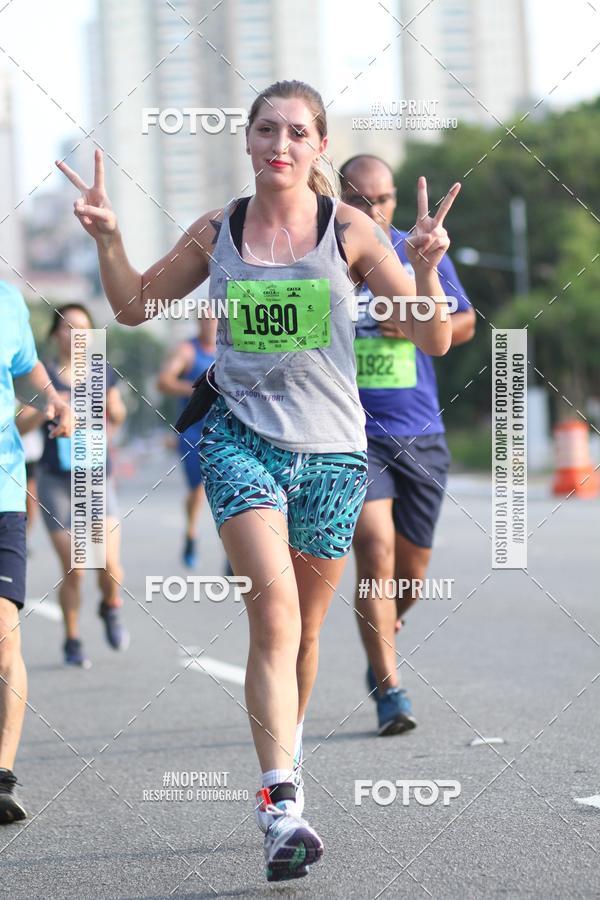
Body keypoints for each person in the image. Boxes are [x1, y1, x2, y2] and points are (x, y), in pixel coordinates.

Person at [57, 79, 460, 882]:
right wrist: (108, 236)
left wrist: (419, 268)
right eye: (267, 130)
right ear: (247, 142)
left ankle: (288, 763)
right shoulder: (219, 230)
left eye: (297, 133)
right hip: (242, 442)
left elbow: (435, 338)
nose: (281, 144)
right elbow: (135, 305)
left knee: (306, 634)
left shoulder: (348, 231)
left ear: (318, 148)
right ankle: (281, 804)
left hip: (337, 454)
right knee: (272, 616)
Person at [339, 154, 476, 736]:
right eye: (361, 198)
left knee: (411, 578)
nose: (374, 209)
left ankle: (380, 647)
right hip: (351, 432)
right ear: (338, 194)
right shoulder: (328, 253)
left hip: (421, 430)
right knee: (373, 549)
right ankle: (390, 688)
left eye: (383, 199)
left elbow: (464, 323)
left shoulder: (416, 248)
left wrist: (420, 318)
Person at [18, 304, 129, 667]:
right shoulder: (43, 377)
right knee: (76, 568)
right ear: (55, 334)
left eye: (83, 328)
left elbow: (118, 413)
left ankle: (111, 605)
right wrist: (51, 406)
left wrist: (112, 411)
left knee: (109, 566)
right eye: (67, 327)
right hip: (55, 480)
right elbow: (20, 427)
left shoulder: (102, 373)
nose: (75, 334)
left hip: (95, 476)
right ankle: (73, 638)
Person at [0, 280, 71, 823]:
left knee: (4, 641)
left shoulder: (8, 300)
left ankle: (1, 777)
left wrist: (53, 399)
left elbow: (28, 369)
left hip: (4, 492)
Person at [157, 316, 217, 567]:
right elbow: (163, 382)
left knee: (231, 489)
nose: (211, 324)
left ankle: (233, 552)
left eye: (216, 319)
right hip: (193, 431)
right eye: (205, 319)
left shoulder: (232, 348)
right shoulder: (187, 350)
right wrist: (199, 390)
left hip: (225, 431)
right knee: (196, 491)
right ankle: (192, 533)